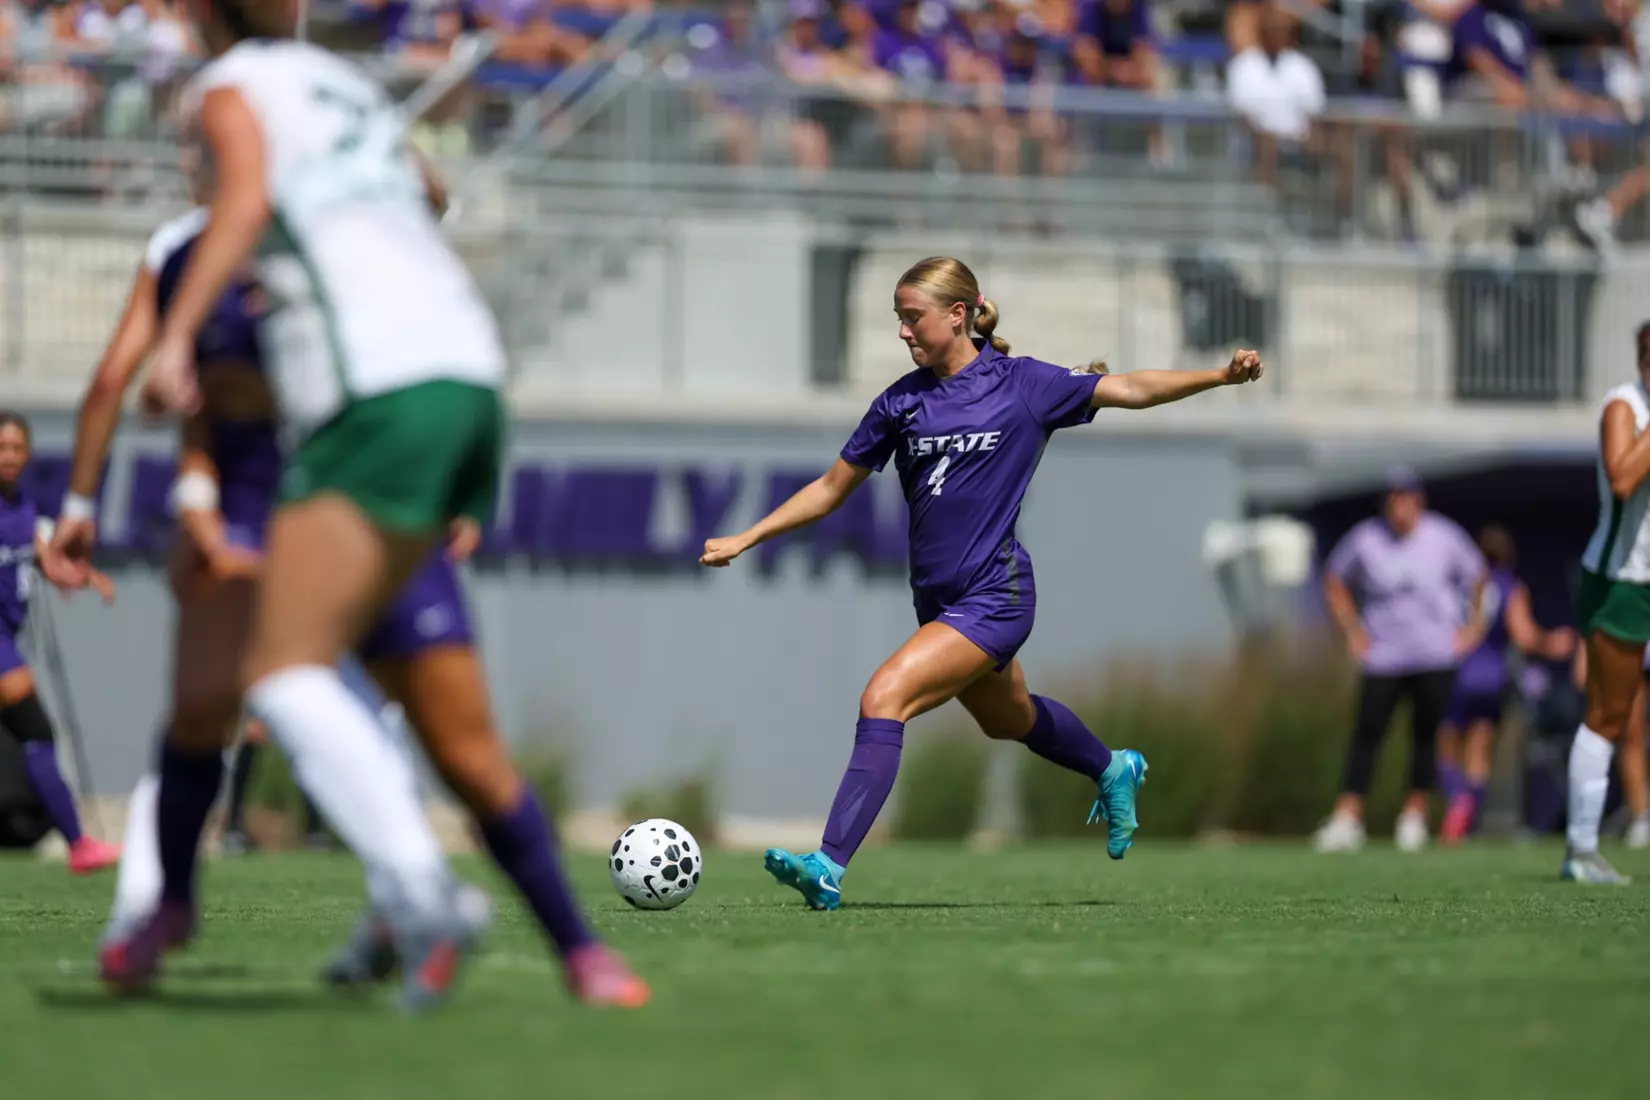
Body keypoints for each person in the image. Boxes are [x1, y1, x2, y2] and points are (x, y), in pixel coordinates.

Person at [64, 2, 643, 1008]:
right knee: (391, 721)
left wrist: (175, 340)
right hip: (459, 377)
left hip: (374, 411)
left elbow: (242, 206)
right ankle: (588, 958)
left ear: (197, 17)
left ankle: (424, 898)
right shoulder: (342, 91)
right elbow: (424, 189)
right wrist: (200, 486)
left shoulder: (232, 100)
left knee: (279, 676)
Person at [700, 255, 1265, 909]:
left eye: (912, 318)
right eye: (899, 320)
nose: (904, 333)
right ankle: (1113, 767)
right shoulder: (900, 401)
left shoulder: (1022, 385)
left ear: (958, 314)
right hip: (938, 604)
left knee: (884, 696)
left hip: (996, 597)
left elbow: (1131, 389)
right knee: (1010, 719)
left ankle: (827, 865)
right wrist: (747, 536)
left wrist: (1221, 375)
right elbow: (831, 489)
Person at [1315, 467, 1487, 854]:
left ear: (1419, 500)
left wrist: (1472, 628)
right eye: (1393, 498)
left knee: (1427, 736)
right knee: (1367, 736)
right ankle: (1347, 817)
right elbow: (1335, 578)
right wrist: (1352, 630)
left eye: (1406, 497)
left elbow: (1478, 575)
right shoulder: (1365, 539)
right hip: (1383, 656)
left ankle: (1414, 816)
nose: (1400, 506)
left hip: (1434, 653)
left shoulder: (1444, 536)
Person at [0, 413, 119, 873]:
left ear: (27, 454)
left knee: (35, 737)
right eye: (1, 447)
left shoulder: (24, 509)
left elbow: (50, 564)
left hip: (9, 638)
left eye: (16, 448)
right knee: (36, 732)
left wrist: (86, 577)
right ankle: (79, 844)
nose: (9, 456)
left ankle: (79, 845)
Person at [1564, 321, 1650, 884]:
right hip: (1621, 582)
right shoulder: (1625, 406)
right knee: (1610, 716)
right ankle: (1581, 849)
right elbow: (1622, 478)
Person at [1436, 525, 1574, 844]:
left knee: (1446, 743)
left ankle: (1457, 797)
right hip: (1492, 673)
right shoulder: (1510, 586)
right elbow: (1525, 635)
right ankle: (1468, 807)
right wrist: (1553, 642)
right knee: (1480, 748)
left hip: (1458, 669)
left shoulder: (1460, 583)